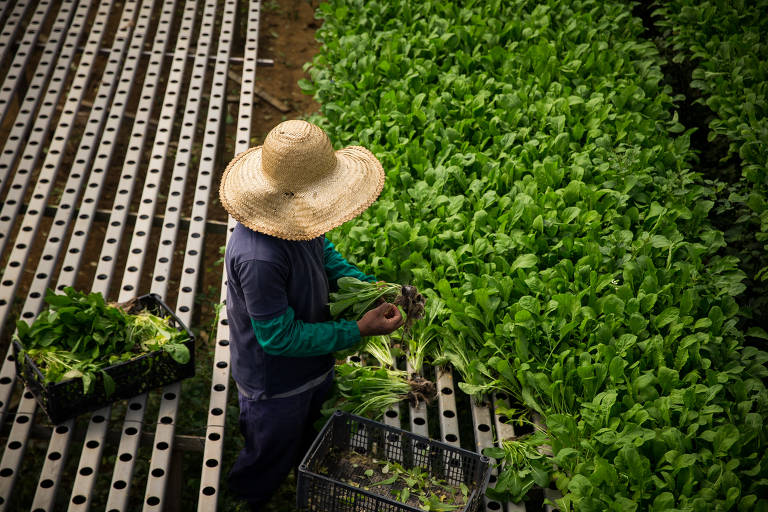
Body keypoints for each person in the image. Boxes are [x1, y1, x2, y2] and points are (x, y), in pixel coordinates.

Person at [218, 119, 403, 510]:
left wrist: (368, 289)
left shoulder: (300, 221)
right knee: (269, 452)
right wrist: (357, 329)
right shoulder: (259, 257)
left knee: (306, 435)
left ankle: (299, 475)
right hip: (275, 382)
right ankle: (247, 498)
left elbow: (325, 256)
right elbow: (278, 338)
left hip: (314, 362)